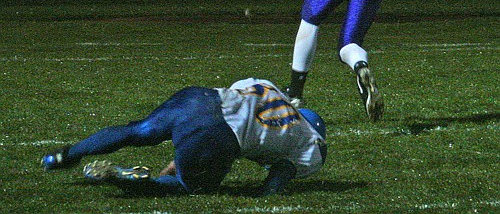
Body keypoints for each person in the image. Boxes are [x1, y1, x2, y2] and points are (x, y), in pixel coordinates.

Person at [42, 78, 327, 196]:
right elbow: (272, 185)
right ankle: (120, 177)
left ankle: (65, 155)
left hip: (200, 98)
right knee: (190, 186)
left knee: (137, 130)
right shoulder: (311, 145)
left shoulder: (270, 87)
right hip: (219, 132)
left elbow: (229, 101)